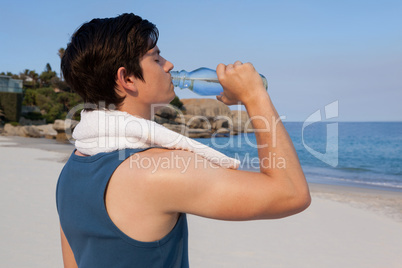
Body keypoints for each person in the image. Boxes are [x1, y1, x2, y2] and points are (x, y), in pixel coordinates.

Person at [56, 13, 311, 268]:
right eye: (156, 58)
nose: (169, 64)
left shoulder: (71, 171)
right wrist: (254, 95)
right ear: (127, 79)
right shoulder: (159, 170)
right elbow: (291, 193)